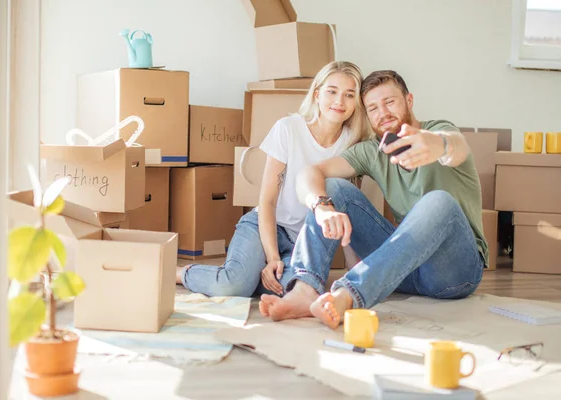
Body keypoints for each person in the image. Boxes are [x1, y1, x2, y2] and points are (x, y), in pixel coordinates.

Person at [259, 70, 487, 328]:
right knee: (333, 187)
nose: (383, 113)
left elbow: (457, 146)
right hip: (405, 270)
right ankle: (304, 289)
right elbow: (310, 174)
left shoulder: (437, 132)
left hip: (454, 273)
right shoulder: (372, 151)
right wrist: (321, 207)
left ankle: (349, 294)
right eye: (373, 108)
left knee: (439, 202)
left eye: (390, 102)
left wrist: (439, 146)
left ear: (409, 101)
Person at [175, 61, 371, 298]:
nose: (339, 101)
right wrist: (273, 257)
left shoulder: (354, 144)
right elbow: (268, 201)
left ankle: (248, 275)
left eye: (349, 95)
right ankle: (182, 273)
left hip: (304, 241)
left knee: (294, 289)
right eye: (332, 91)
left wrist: (354, 271)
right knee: (233, 286)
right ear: (317, 94)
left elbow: (344, 210)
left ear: (356, 103)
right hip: (265, 226)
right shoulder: (288, 129)